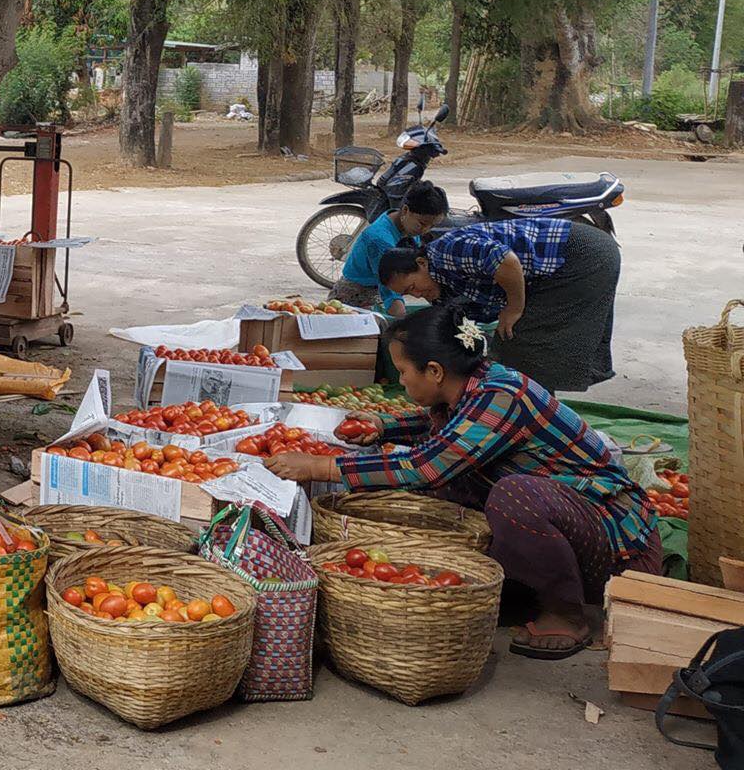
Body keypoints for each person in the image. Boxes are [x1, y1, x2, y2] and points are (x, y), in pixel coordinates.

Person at [266, 301, 660, 659]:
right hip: (571, 524)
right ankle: (528, 588)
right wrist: (386, 427)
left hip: (615, 543)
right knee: (458, 486)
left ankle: (567, 613)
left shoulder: (503, 396)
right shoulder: (474, 385)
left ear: (434, 371)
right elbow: (452, 427)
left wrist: (321, 467)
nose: (401, 383)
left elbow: (426, 467)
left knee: (511, 495)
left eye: (403, 373)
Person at [378, 216, 620, 391]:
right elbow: (464, 326)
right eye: (410, 294)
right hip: (562, 266)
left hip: (580, 254)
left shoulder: (446, 251)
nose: (418, 295)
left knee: (524, 341)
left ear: (421, 263)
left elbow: (507, 261)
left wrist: (513, 308)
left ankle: (535, 416)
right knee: (512, 347)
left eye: (412, 287)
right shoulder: (440, 286)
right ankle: (534, 410)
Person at [329, 181, 447, 314]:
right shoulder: (379, 239)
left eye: (431, 226)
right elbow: (390, 292)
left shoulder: (406, 225)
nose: (425, 230)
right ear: (405, 210)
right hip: (354, 296)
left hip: (379, 292)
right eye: (422, 224)